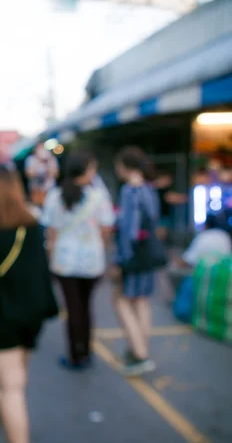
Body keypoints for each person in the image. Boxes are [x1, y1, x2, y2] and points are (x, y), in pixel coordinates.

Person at [0, 165, 57, 443]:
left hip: (1, 315)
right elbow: (42, 270)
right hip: (33, 313)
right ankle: (3, 403)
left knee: (11, 388)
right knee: (17, 377)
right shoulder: (33, 224)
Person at [42, 151, 115, 369]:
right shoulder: (99, 197)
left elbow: (51, 233)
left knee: (73, 309)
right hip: (92, 261)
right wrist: (102, 248)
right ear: (85, 171)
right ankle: (86, 351)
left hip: (64, 261)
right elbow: (106, 228)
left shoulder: (55, 195)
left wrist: (50, 256)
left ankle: (75, 354)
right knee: (86, 307)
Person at [113, 146, 160, 377]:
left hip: (133, 256)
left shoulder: (129, 192)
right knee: (141, 301)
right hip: (148, 255)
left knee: (122, 301)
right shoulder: (149, 189)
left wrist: (119, 260)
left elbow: (128, 231)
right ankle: (140, 349)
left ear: (126, 166)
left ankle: (139, 354)